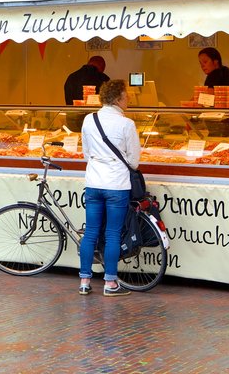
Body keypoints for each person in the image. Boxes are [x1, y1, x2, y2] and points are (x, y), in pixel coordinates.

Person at [77, 79, 140, 297]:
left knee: (91, 232)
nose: (129, 98)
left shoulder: (89, 119)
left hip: (93, 182)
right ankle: (110, 283)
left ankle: (85, 281)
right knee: (113, 233)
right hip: (116, 185)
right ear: (118, 98)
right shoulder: (126, 124)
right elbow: (134, 161)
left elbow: (86, 153)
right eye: (126, 94)